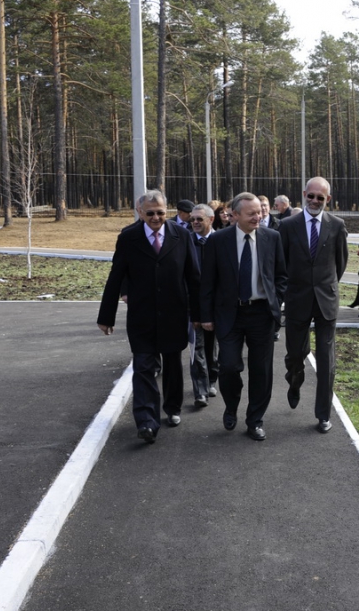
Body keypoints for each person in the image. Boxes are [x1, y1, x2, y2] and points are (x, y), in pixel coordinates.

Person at [97, 190, 200, 444]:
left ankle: (172, 407)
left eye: (161, 213)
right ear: (140, 212)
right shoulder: (128, 237)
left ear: (167, 211)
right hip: (142, 315)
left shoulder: (182, 236)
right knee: (143, 366)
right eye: (150, 213)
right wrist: (106, 316)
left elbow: (194, 277)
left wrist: (199, 314)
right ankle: (146, 421)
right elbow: (116, 276)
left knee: (172, 363)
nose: (156, 218)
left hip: (174, 313)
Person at [200, 192, 287, 441]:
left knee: (261, 370)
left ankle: (255, 420)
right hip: (230, 314)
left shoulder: (272, 237)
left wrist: (275, 301)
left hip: (262, 313)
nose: (257, 217)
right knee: (228, 366)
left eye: (259, 212)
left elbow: (281, 276)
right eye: (251, 214)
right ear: (235, 215)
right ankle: (231, 406)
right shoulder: (218, 240)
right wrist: (206, 315)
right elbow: (207, 281)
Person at [281, 176, 348, 434]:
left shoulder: (337, 225)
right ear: (304, 194)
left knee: (326, 361)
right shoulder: (288, 225)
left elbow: (340, 263)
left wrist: (325, 286)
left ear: (327, 199)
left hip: (326, 302)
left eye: (320, 197)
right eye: (311, 196)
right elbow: (282, 264)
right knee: (295, 355)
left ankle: (323, 414)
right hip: (297, 300)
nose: (315, 201)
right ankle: (294, 380)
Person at [189, 203, 220, 406]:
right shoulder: (186, 241)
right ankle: (200, 390)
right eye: (192, 219)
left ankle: (212, 378)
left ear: (211, 219)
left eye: (199, 219)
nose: (195, 222)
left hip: (218, 305)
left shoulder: (222, 241)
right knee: (197, 346)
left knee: (212, 346)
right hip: (194, 304)